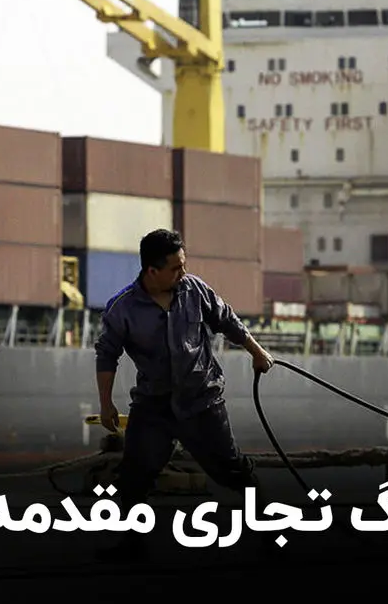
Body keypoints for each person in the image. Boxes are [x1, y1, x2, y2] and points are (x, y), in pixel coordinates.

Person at [93, 228, 276, 563]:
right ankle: (133, 546)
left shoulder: (195, 290)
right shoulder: (122, 309)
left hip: (202, 402)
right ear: (152, 271)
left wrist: (257, 352)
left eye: (184, 265)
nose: (183, 272)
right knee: (134, 477)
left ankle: (272, 534)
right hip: (154, 407)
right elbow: (106, 355)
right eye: (176, 268)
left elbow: (227, 320)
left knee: (233, 471)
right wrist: (106, 405)